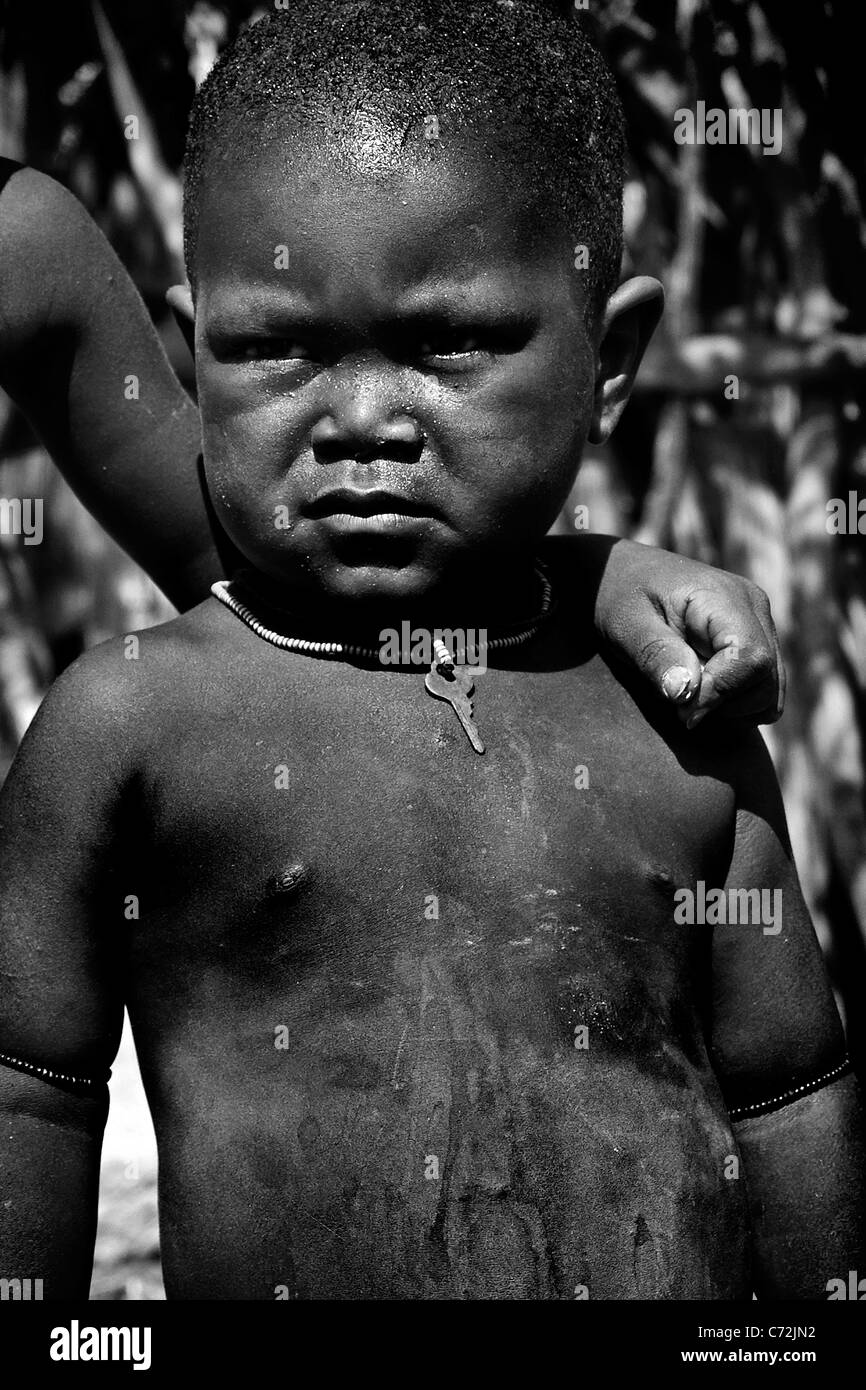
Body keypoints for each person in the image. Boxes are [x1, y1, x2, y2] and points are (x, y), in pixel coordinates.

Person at [1, 0, 859, 1300]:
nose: (358, 422)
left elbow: (793, 1091)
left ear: (612, 357)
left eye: (446, 344)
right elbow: (31, 1103)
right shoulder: (125, 724)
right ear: (196, 346)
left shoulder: (667, 712)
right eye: (271, 347)